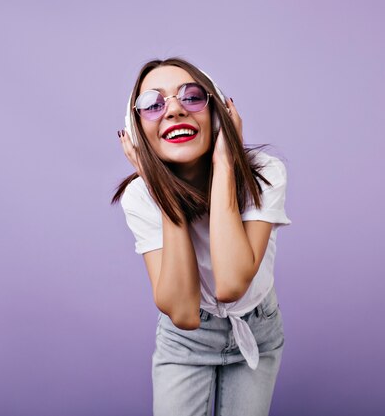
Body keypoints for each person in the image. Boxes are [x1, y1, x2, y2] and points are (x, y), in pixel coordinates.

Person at [112, 57, 291, 416]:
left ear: (218, 114)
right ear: (136, 131)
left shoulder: (265, 175)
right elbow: (183, 313)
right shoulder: (140, 195)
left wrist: (225, 163)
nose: (175, 109)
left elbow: (229, 284)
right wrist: (159, 186)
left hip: (256, 328)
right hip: (186, 341)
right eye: (153, 103)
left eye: (192, 97)